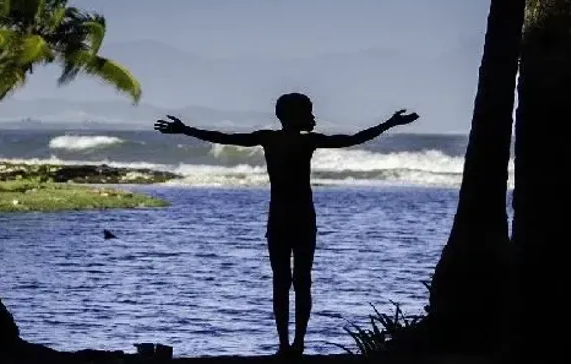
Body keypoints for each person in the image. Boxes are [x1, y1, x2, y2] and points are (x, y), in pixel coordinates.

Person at [154, 93, 419, 356]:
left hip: (280, 218)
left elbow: (225, 138)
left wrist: (185, 129)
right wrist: (389, 124)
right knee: (301, 282)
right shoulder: (307, 141)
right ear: (294, 116)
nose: (314, 118)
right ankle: (296, 344)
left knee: (282, 282)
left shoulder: (268, 138)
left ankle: (286, 345)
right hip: (302, 218)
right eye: (309, 112)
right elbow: (351, 140)